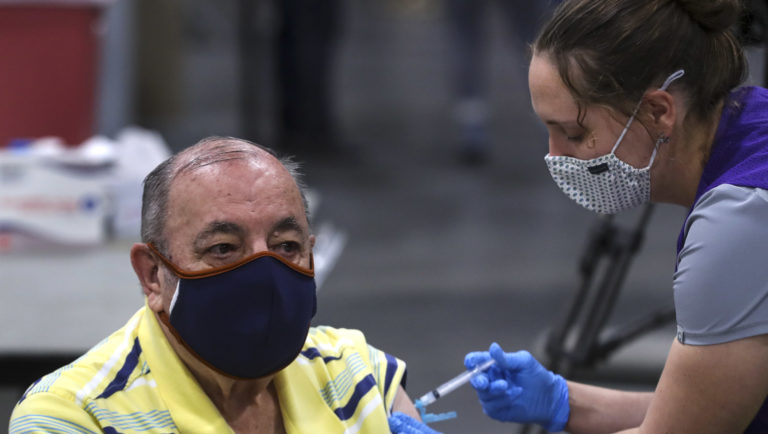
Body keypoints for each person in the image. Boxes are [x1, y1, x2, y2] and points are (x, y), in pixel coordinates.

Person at [392, 0, 768, 432]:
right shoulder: (751, 117)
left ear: (659, 112)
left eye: (574, 132)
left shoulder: (739, 224)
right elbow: (703, 406)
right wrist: (563, 401)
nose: (555, 156)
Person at [9, 137, 421, 433]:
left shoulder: (358, 375)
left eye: (286, 246)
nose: (264, 272)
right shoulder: (72, 418)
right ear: (152, 275)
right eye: (223, 248)